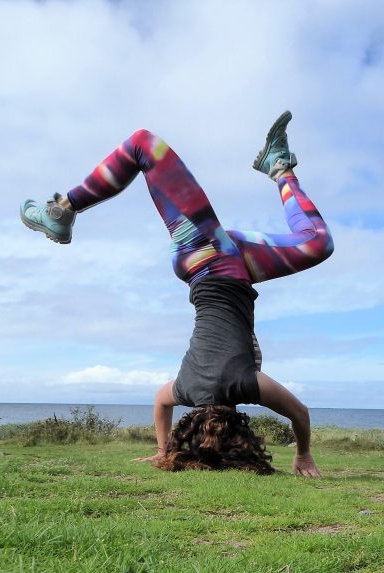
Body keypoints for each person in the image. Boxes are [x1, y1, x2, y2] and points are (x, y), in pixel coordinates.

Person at [21, 111, 333, 477]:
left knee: (143, 144)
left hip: (205, 253)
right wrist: (163, 449)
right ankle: (277, 166)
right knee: (317, 243)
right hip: (234, 264)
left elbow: (300, 413)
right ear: (193, 422)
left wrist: (303, 455)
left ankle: (62, 210)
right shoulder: (186, 389)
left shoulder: (249, 387)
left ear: (240, 430)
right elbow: (159, 402)